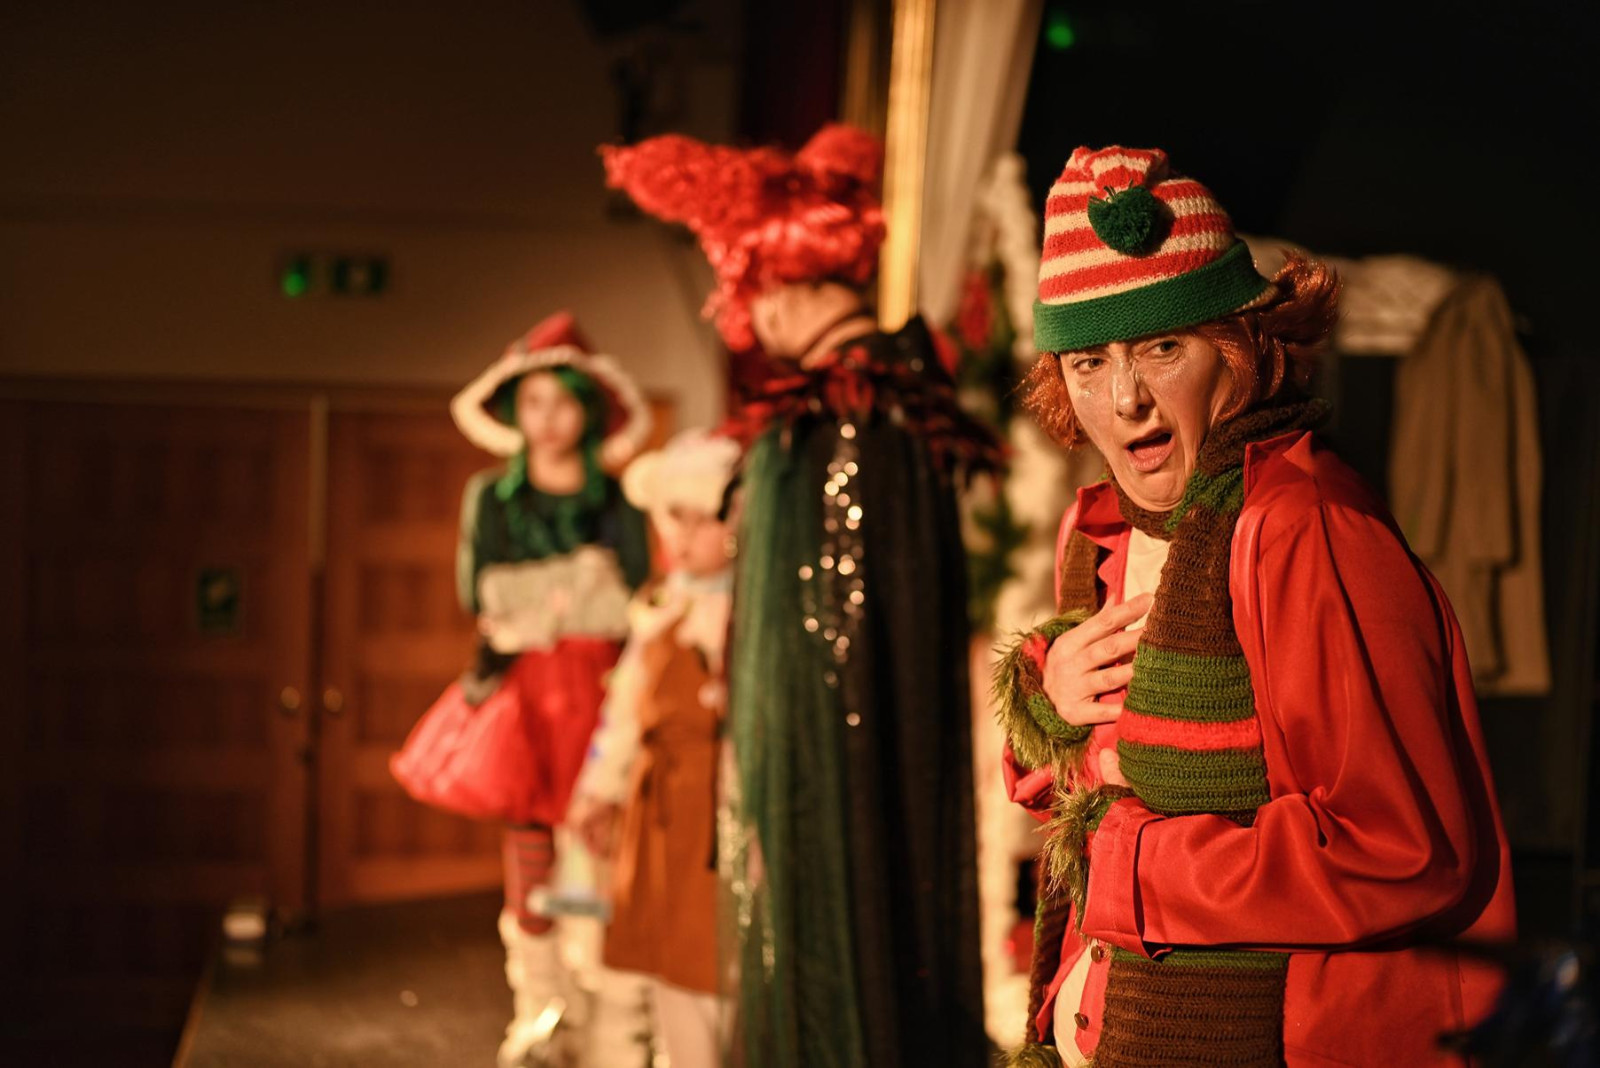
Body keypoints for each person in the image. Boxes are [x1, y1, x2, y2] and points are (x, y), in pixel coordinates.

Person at [994, 145, 1515, 1067]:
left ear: (1238, 347)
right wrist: (1049, 704)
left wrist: (1135, 868)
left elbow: (1400, 849)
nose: (1125, 398)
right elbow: (1091, 794)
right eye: (1087, 361)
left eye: (1162, 347)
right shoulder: (1102, 529)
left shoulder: (1307, 532)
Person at [604, 124, 997, 1067]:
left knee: (839, 979)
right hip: (856, 780)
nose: (747, 320)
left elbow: (834, 651)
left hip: (830, 792)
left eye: (747, 291)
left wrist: (792, 799)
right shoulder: (895, 408)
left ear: (784, 282)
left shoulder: (843, 420)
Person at [389, 311, 652, 1068]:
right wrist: (577, 587)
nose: (548, 419)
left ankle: (607, 1025)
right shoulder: (491, 499)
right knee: (530, 848)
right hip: (525, 701)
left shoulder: (618, 501)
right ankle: (540, 1012)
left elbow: (629, 601)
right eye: (532, 401)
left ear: (589, 409)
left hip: (603, 696)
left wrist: (545, 603)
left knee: (597, 845)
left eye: (563, 401)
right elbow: (485, 596)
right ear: (513, 409)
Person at [568, 429, 743, 1068]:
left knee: (712, 962)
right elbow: (623, 711)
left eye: (703, 520)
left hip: (713, 813)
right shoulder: (660, 609)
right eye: (676, 518)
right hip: (658, 809)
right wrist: (598, 791)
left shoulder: (746, 615)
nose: (685, 536)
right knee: (665, 962)